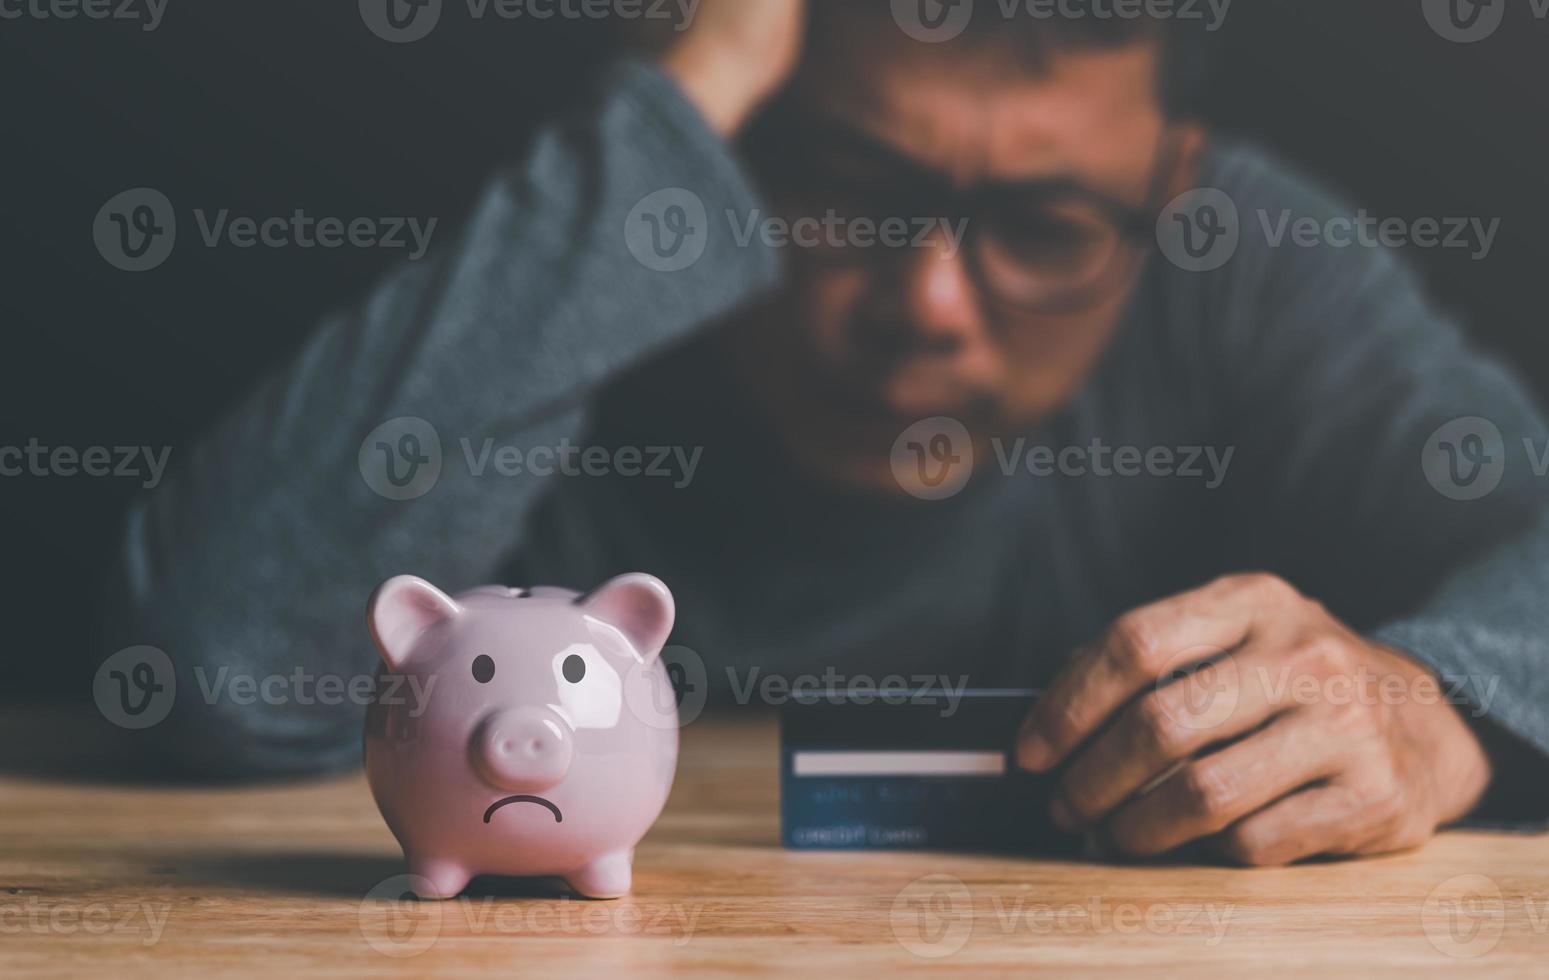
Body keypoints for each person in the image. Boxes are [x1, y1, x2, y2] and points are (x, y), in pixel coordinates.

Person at [109, 0, 1549, 865]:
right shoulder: (601, 215)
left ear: (1171, 186)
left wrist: (1434, 711)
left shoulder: (1247, 258)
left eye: (1045, 228)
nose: (924, 306)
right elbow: (223, 666)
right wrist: (674, 112)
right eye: (848, 188)